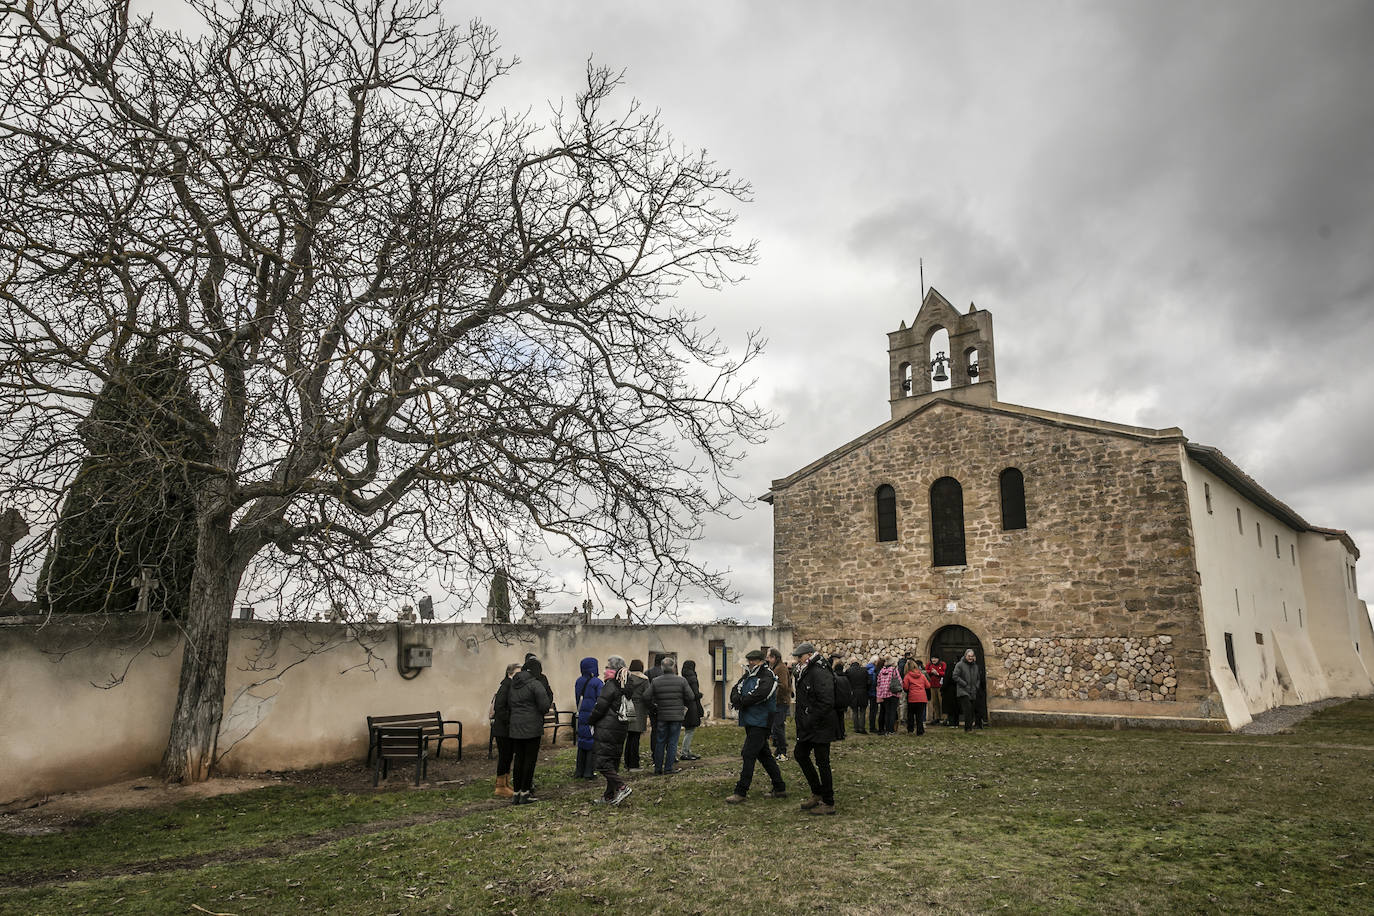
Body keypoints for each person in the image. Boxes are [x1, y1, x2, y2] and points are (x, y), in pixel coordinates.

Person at [725, 649, 785, 803]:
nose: (751, 662)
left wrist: (742, 701)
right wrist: (737, 699)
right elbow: (735, 689)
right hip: (751, 720)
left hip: (762, 721)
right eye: (750, 660)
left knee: (748, 753)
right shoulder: (748, 675)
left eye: (754, 660)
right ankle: (779, 788)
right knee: (764, 755)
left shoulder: (768, 675)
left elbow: (763, 694)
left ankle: (741, 791)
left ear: (761, 661)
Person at [791, 642, 837, 815]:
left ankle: (828, 802)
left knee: (822, 762)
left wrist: (810, 719)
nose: (797, 660)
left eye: (800, 657)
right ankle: (817, 792)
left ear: (809, 655)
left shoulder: (819, 671)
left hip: (820, 725)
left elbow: (826, 701)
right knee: (800, 754)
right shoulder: (808, 671)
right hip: (810, 725)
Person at [505, 657, 551, 805]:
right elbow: (544, 706)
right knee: (529, 761)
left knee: (518, 759)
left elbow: (509, 703)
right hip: (532, 728)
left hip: (516, 728)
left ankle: (516, 793)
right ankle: (525, 792)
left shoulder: (513, 684)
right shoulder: (535, 684)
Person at [588, 655, 634, 805]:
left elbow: (600, 706)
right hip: (620, 727)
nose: (605, 670)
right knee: (612, 761)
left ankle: (622, 787)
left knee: (602, 762)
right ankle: (608, 796)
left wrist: (591, 721)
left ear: (613, 669)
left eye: (607, 667)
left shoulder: (610, 685)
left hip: (607, 726)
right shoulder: (625, 684)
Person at [642, 656, 692, 774]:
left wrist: (654, 707)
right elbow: (690, 696)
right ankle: (668, 768)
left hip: (662, 715)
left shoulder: (656, 681)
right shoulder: (681, 681)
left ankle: (658, 768)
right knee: (672, 742)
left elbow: (645, 696)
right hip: (676, 715)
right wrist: (682, 703)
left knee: (660, 741)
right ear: (674, 667)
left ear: (662, 667)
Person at [490, 661, 520, 798]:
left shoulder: (511, 686)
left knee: (508, 757)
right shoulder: (505, 687)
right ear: (510, 674)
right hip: (503, 730)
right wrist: (511, 720)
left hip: (507, 728)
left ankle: (506, 783)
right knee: (504, 757)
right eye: (517, 673)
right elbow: (499, 709)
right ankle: (500, 786)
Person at [574, 657, 603, 779]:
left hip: (581, 715)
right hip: (592, 715)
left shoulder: (579, 681)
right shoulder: (597, 682)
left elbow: (577, 698)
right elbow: (600, 700)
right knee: (591, 742)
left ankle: (579, 771)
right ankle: (588, 772)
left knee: (582, 741)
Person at [623, 659, 650, 770]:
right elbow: (647, 695)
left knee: (629, 737)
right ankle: (634, 764)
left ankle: (627, 762)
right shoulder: (644, 680)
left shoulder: (626, 678)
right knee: (635, 738)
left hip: (627, 706)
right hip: (639, 708)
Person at [767, 647, 793, 760]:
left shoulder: (781, 668)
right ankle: (778, 750)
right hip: (777, 702)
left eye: (769, 657)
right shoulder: (776, 667)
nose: (767, 659)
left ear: (774, 657)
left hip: (781, 702)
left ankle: (783, 751)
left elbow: (783, 686)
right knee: (776, 727)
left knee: (778, 727)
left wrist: (775, 697)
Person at [679, 660, 706, 760]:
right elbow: (695, 694)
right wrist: (700, 695)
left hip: (685, 705)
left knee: (688, 730)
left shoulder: (683, 677)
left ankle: (686, 750)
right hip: (692, 706)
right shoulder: (692, 677)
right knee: (690, 730)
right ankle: (685, 751)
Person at [953, 648, 982, 733]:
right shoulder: (959, 665)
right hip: (963, 691)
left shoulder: (975, 666)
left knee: (972, 710)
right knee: (967, 709)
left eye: (972, 656)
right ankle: (968, 728)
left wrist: (976, 686)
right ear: (965, 656)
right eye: (969, 656)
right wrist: (964, 684)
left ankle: (969, 727)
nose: (970, 657)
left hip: (973, 691)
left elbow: (978, 678)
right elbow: (955, 676)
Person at [902, 659, 931, 735]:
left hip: (912, 698)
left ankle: (910, 729)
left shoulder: (907, 676)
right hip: (922, 698)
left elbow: (905, 687)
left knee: (911, 715)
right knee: (920, 715)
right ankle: (920, 731)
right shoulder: (922, 675)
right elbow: (928, 685)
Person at [875, 657, 901, 735]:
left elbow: (878, 683)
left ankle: (886, 729)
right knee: (892, 712)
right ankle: (891, 730)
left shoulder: (881, 671)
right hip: (893, 693)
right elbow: (899, 681)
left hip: (884, 694)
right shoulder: (894, 670)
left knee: (887, 712)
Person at [844, 657, 869, 734]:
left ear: (851, 663)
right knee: (862, 711)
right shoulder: (864, 670)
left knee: (854, 711)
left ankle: (856, 728)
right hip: (863, 692)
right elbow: (869, 682)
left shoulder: (848, 671)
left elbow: (846, 683)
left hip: (853, 693)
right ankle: (862, 728)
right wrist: (866, 689)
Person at [926, 655, 946, 726]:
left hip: (940, 686)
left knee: (941, 702)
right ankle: (937, 717)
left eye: (935, 658)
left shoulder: (942, 664)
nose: (934, 660)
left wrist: (937, 673)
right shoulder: (929, 665)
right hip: (932, 686)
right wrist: (931, 672)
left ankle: (944, 718)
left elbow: (944, 672)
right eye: (932, 658)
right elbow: (926, 671)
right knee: (934, 702)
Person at [865, 655, 881, 733]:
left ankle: (871, 726)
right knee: (874, 710)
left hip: (868, 692)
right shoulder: (873, 670)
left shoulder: (867, 668)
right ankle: (872, 727)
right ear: (875, 662)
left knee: (872, 710)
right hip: (873, 692)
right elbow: (874, 682)